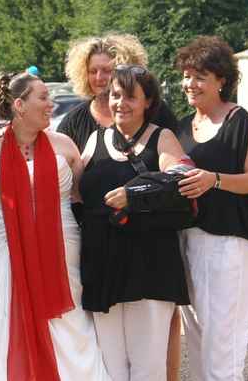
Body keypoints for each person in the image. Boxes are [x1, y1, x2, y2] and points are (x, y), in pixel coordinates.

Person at [0, 72, 110, 381]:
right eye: (43, 97)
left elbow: (87, 197)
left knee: (66, 324)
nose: (51, 104)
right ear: (19, 105)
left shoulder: (65, 145)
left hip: (59, 248)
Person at [59, 34, 183, 380]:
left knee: (146, 365)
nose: (120, 103)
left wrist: (136, 193)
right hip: (103, 263)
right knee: (109, 365)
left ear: (147, 102)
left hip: (150, 262)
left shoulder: (162, 137)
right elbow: (71, 191)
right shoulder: (94, 139)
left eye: (130, 97)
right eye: (116, 95)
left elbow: (183, 180)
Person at [175, 36, 248, 381]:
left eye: (200, 77)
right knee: (196, 333)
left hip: (228, 245)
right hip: (187, 240)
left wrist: (214, 180)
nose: (191, 84)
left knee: (224, 335)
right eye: (187, 76)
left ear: (222, 80)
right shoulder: (181, 127)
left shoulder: (238, 120)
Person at [58, 34, 178, 152]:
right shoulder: (73, 123)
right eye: (93, 71)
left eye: (107, 70)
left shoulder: (155, 110)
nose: (99, 78)